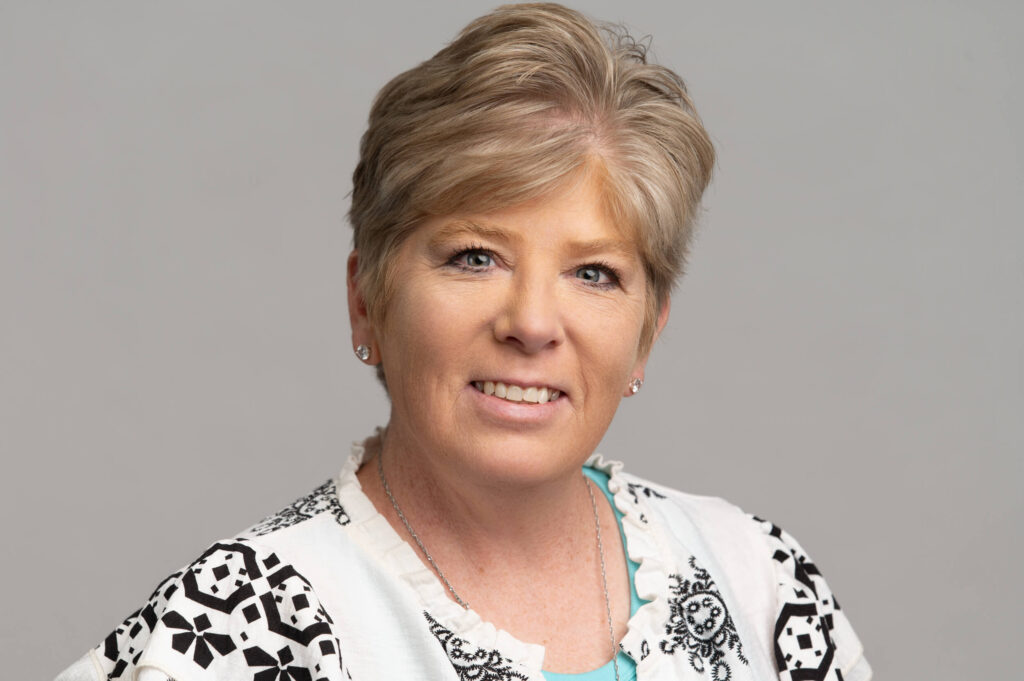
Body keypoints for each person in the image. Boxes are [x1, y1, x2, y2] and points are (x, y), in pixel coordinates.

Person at [56, 4, 870, 680]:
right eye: (474, 257)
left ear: (647, 336)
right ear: (366, 301)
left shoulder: (759, 581)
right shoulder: (247, 626)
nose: (531, 322)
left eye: (594, 273)